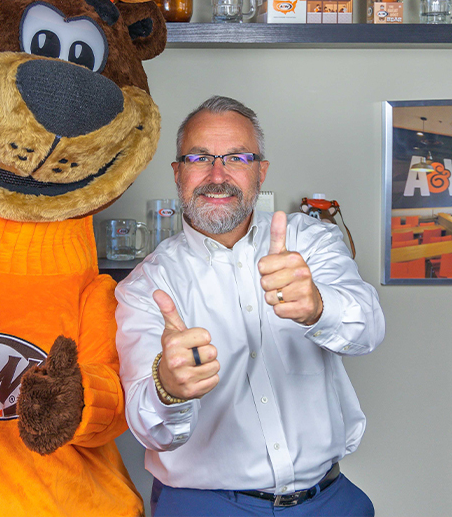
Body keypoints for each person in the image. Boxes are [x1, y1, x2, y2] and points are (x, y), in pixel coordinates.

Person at [115, 96, 385, 516]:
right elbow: (150, 430)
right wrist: (168, 386)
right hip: (204, 506)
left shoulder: (309, 242)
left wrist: (317, 306)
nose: (217, 175)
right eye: (200, 157)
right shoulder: (147, 286)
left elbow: (368, 330)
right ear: (178, 172)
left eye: (237, 158)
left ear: (261, 171)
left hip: (329, 501)